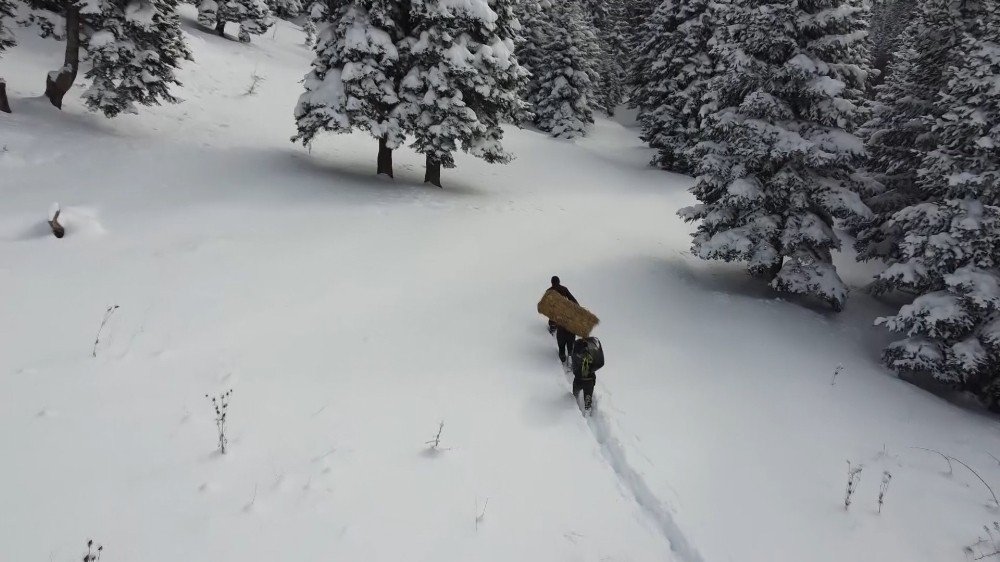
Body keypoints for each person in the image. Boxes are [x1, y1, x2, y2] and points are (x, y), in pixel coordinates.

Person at [547, 276, 578, 363]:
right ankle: (570, 353)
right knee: (569, 333)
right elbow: (573, 299)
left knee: (560, 332)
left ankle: (562, 354)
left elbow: (545, 305)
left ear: (551, 282)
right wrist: (577, 308)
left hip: (556, 316)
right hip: (566, 314)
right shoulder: (564, 289)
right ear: (559, 281)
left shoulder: (549, 291)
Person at [570, 336, 604, 412]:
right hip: (590, 380)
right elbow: (600, 363)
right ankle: (587, 409)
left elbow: (573, 362)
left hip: (578, 379)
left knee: (575, 396)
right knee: (588, 398)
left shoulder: (577, 346)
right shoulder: (593, 348)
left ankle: (575, 409)